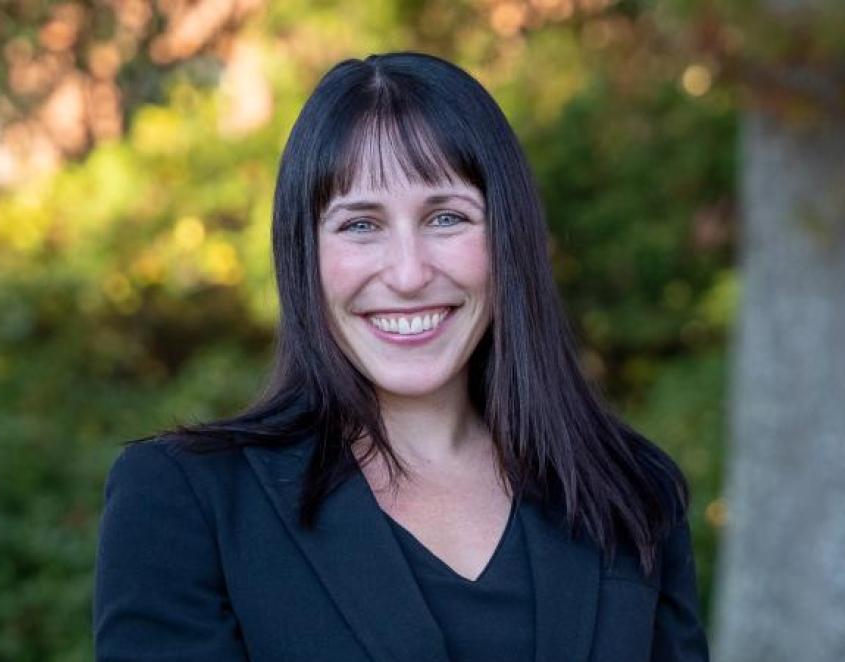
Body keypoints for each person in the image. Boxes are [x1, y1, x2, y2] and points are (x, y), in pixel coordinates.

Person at [92, 51, 710, 662]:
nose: (409, 274)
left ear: (508, 238)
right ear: (303, 254)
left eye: (446, 217)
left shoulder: (630, 493)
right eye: (361, 225)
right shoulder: (186, 499)